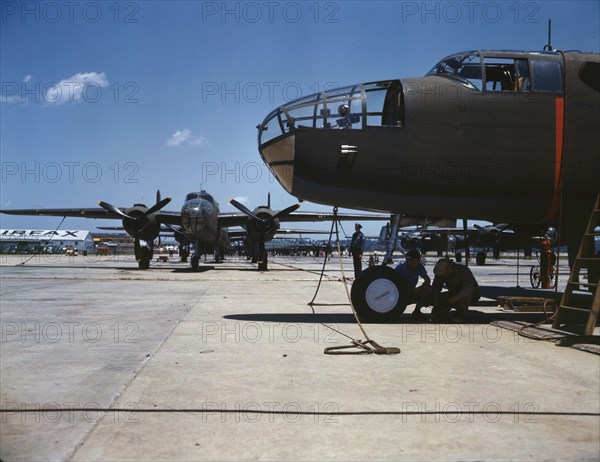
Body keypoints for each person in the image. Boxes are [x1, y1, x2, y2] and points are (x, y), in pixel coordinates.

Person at [394, 250, 432, 319]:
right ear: (408, 260)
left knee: (428, 289)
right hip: (399, 295)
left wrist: (423, 286)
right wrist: (410, 290)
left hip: (412, 293)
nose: (415, 265)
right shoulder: (399, 269)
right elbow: (394, 287)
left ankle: (417, 311)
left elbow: (427, 279)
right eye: (413, 263)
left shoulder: (419, 267)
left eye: (417, 263)